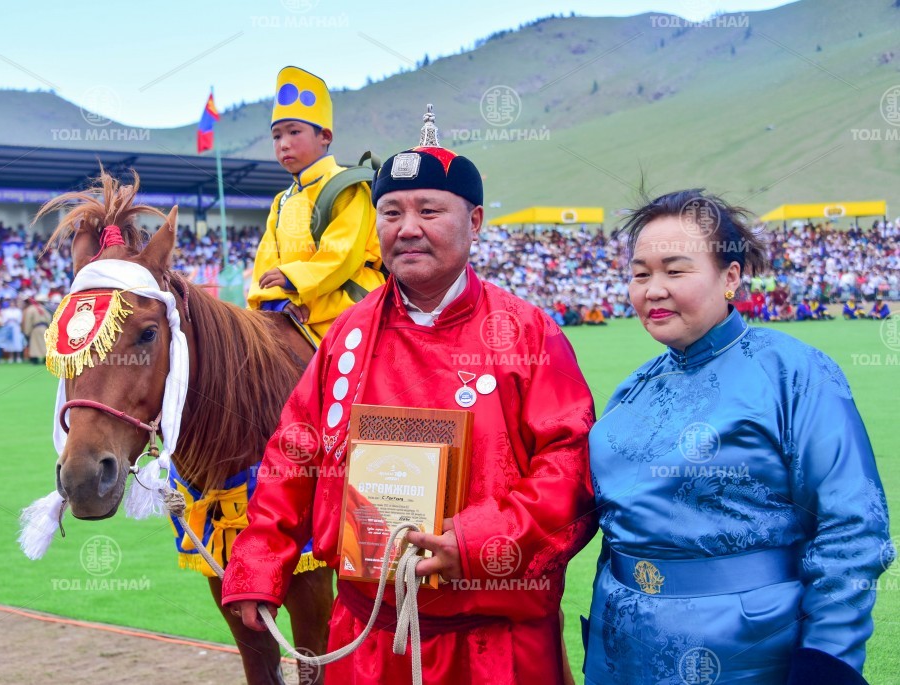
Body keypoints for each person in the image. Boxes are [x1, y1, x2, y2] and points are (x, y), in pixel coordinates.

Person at [223, 110, 598, 684]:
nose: (408, 228)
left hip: (494, 642)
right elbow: (294, 450)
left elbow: (569, 468)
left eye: (429, 211)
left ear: (474, 221)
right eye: (392, 212)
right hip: (366, 636)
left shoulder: (526, 333)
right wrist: (259, 560)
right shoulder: (349, 333)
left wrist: (472, 541)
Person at [583, 190, 890, 685]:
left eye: (675, 270)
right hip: (621, 650)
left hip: (746, 653)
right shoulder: (633, 389)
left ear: (730, 277)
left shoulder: (794, 372)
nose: (653, 290)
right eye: (640, 274)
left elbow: (852, 526)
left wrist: (827, 661)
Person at [247, 66, 385, 344]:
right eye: (277, 136)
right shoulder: (281, 200)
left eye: (294, 132)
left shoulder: (347, 186)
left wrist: (292, 277)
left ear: (325, 136)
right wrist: (278, 303)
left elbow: (343, 255)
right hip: (294, 309)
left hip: (349, 307)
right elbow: (266, 261)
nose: (284, 144)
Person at [21, 296, 51, 364]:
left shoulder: (30, 309)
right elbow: (48, 319)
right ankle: (45, 358)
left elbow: (28, 321)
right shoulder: (44, 309)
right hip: (44, 328)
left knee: (35, 345)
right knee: (44, 344)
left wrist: (27, 332)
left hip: (35, 328)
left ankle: (35, 359)